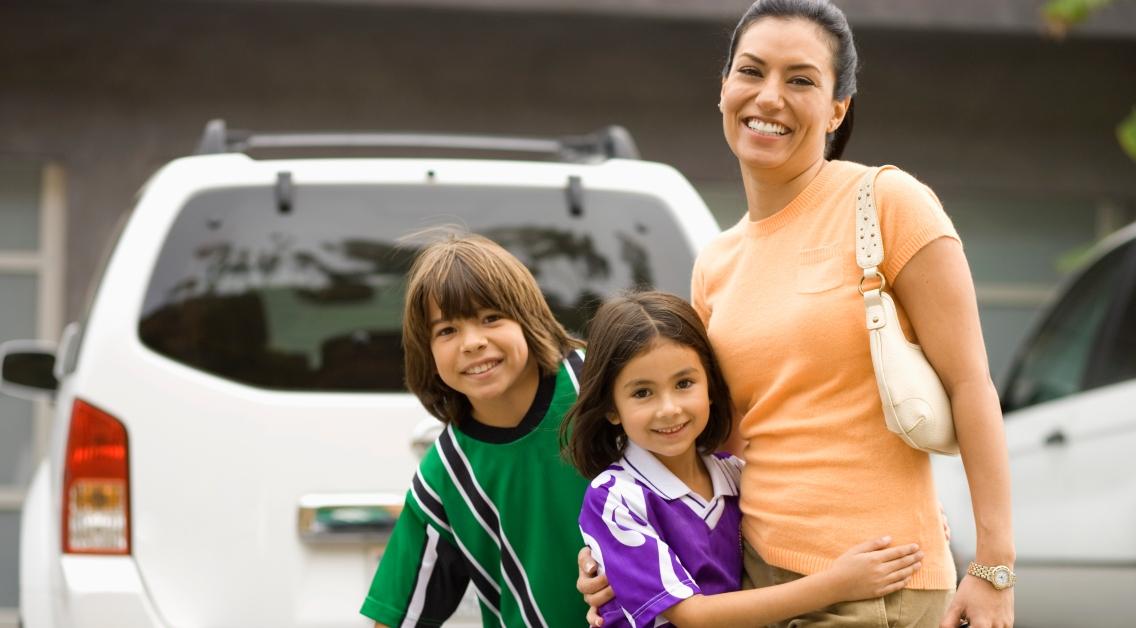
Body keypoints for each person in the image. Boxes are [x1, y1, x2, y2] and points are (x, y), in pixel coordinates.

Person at [579, 1, 1015, 627]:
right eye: (751, 72)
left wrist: (994, 565)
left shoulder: (888, 203)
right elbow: (715, 440)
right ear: (724, 89)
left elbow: (972, 384)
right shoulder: (717, 260)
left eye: (801, 79)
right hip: (751, 576)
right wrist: (623, 554)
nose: (769, 97)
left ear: (838, 108)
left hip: (875, 582)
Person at [563, 291, 925, 628]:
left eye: (684, 383)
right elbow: (693, 615)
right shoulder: (615, 497)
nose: (669, 409)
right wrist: (836, 585)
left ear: (710, 387)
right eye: (643, 392)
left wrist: (906, 514)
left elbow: (820, 512)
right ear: (611, 408)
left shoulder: (737, 476)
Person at [361, 233, 590, 627]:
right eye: (447, 330)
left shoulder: (598, 387)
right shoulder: (446, 474)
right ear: (427, 351)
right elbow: (395, 616)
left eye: (490, 318)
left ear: (527, 317)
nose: (472, 343)